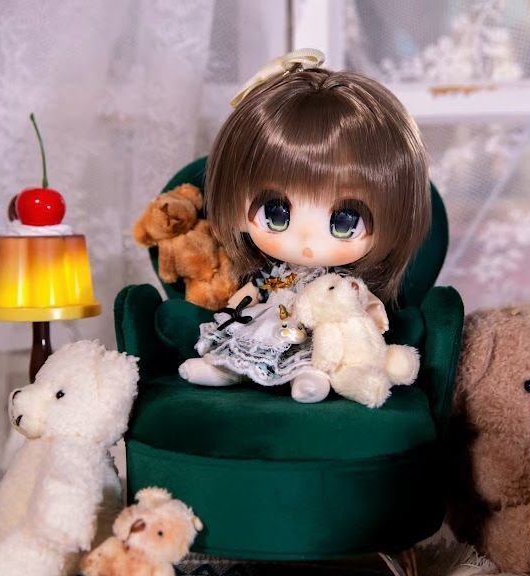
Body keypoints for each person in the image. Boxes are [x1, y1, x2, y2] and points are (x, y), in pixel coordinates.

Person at [178, 49, 429, 404]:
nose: (307, 240)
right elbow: (254, 291)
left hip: (314, 330)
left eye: (344, 222)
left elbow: (369, 308)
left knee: (318, 351)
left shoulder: (340, 288)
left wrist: (371, 322)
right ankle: (226, 368)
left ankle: (312, 377)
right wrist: (237, 305)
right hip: (271, 317)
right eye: (276, 214)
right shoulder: (274, 274)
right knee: (247, 339)